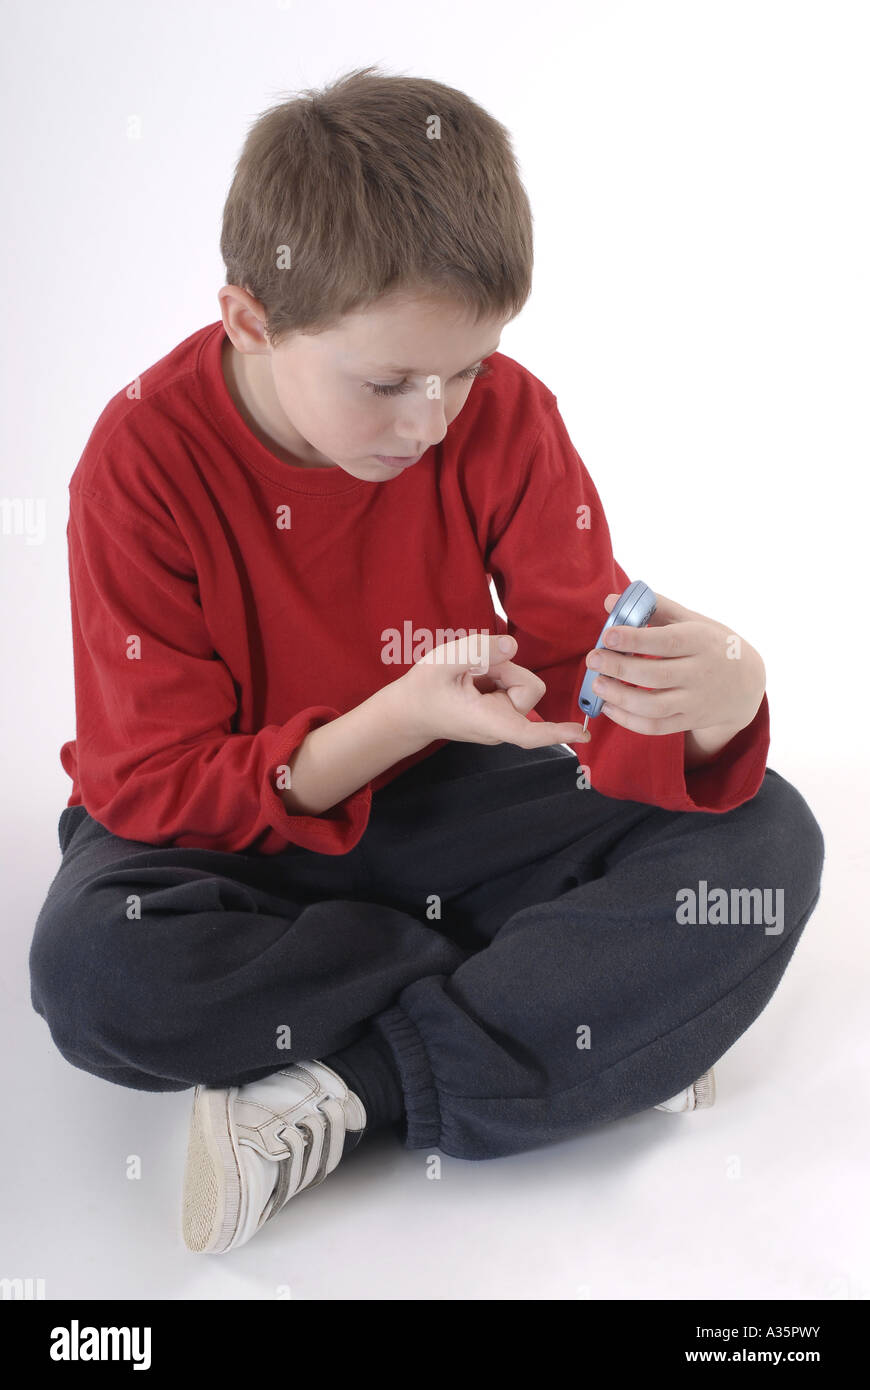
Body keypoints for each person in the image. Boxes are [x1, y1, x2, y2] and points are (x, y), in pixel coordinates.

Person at [28, 66, 825, 1255]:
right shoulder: (139, 459)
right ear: (251, 320)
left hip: (454, 800)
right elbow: (146, 784)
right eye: (388, 381)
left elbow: (576, 680)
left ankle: (343, 1086)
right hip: (237, 841)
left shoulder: (505, 414)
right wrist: (395, 719)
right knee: (97, 970)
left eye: (466, 370)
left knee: (765, 837)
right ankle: (572, 1009)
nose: (434, 419)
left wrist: (713, 701)